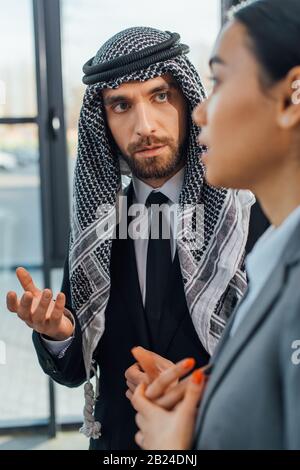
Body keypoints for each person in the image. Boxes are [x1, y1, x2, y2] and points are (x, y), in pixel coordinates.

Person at [6, 27, 254, 450]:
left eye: (160, 96)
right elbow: (75, 370)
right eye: (121, 105)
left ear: (188, 99)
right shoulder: (96, 226)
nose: (145, 127)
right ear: (102, 120)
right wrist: (60, 333)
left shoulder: (248, 214)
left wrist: (196, 389)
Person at [131, 0, 300, 450]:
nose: (201, 113)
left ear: (290, 97)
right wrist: (210, 401)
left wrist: (177, 451)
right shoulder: (277, 261)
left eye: (220, 81)